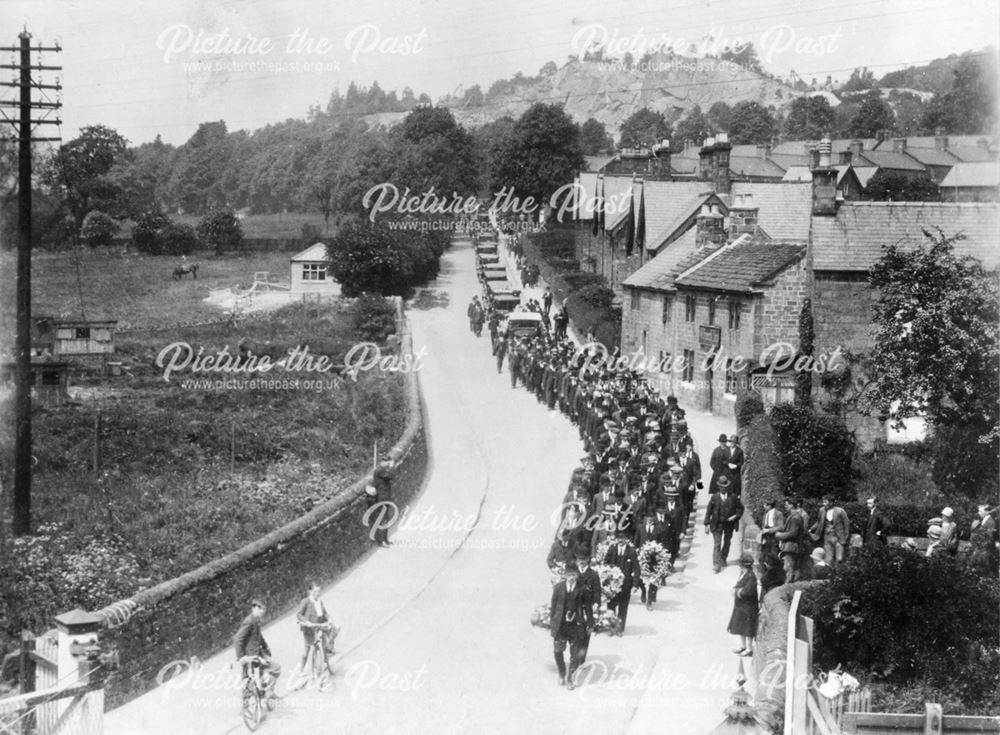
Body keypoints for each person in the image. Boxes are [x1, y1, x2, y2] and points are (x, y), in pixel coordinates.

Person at [549, 562, 594, 690]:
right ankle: (562, 673)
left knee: (575, 654)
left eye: (574, 574)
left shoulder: (583, 589)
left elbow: (588, 609)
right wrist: (553, 622)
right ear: (565, 575)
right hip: (561, 626)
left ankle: (570, 678)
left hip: (576, 626)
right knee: (558, 651)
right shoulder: (558, 588)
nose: (571, 577)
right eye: (569, 575)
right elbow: (553, 606)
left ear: (577, 575)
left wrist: (590, 624)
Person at [234, 600, 281, 699]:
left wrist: (266, 647)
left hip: (259, 653)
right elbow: (237, 638)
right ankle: (246, 704)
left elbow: (258, 636)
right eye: (260, 609)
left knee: (276, 668)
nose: (262, 612)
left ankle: (269, 692)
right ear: (254, 608)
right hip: (250, 656)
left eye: (263, 609)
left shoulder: (256, 620)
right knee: (249, 680)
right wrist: (241, 657)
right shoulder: (249, 621)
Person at [295, 582, 338, 676]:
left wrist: (329, 619)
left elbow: (325, 613)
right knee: (307, 650)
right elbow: (298, 614)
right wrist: (306, 622)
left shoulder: (320, 601)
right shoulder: (306, 601)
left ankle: (328, 649)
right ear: (310, 591)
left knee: (335, 629)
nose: (317, 593)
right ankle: (301, 670)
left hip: (320, 624)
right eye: (315, 591)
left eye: (319, 591)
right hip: (310, 627)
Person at [604, 529, 641, 634]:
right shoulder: (612, 549)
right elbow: (605, 563)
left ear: (626, 539)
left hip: (625, 585)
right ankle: (612, 627)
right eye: (618, 538)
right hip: (612, 585)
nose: (620, 540)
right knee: (610, 606)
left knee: (623, 607)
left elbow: (636, 568)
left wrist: (635, 585)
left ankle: (620, 629)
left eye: (623, 538)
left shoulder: (631, 551)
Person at [704, 476, 743, 573]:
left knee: (727, 542)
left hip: (729, 524)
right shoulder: (714, 497)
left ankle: (723, 558)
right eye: (721, 487)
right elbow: (709, 511)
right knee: (717, 544)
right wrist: (706, 524)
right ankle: (716, 564)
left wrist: (735, 516)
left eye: (725, 487)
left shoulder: (733, 497)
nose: (723, 488)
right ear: (719, 487)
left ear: (728, 486)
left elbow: (740, 508)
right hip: (717, 524)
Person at [771, 497, 808, 582]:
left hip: (791, 547)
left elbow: (793, 533)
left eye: (787, 505)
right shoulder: (793, 516)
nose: (785, 506)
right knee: (792, 569)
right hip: (791, 546)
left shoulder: (795, 517)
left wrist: (780, 535)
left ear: (792, 505)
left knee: (788, 569)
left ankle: (787, 587)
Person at [728, 554, 758, 657]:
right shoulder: (743, 574)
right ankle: (743, 646)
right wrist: (735, 588)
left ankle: (749, 649)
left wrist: (737, 592)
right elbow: (738, 584)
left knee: (748, 629)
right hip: (741, 606)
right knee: (741, 626)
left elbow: (747, 592)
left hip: (748, 606)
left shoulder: (751, 577)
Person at [574, 551, 601, 663]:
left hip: (587, 609)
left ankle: (581, 659)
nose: (581, 562)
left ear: (588, 560)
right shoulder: (573, 573)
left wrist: (596, 605)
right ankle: (575, 658)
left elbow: (597, 592)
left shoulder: (593, 575)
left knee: (585, 635)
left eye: (584, 559)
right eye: (579, 560)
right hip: (575, 608)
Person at [811, 495, 850, 565]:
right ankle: (829, 573)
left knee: (839, 559)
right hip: (827, 537)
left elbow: (846, 524)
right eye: (823, 502)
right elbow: (818, 522)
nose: (823, 504)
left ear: (831, 503)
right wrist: (811, 529)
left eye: (825, 502)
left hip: (838, 538)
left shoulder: (840, 511)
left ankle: (839, 573)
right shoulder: (822, 510)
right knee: (828, 559)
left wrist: (846, 536)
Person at [371, 454, 395, 548]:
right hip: (382, 497)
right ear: (382, 462)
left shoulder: (381, 470)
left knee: (385, 518)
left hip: (385, 497)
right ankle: (382, 541)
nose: (386, 463)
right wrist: (392, 467)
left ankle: (385, 539)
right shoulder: (380, 470)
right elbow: (391, 476)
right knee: (383, 519)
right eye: (384, 461)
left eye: (387, 461)